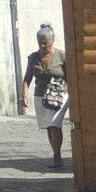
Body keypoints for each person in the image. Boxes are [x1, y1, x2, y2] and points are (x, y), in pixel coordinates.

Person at [22, 24, 67, 170]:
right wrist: (24, 94)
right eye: (40, 42)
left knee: (55, 124)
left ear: (52, 41)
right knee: (49, 126)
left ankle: (57, 156)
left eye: (45, 42)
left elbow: (71, 76)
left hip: (59, 95)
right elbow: (27, 78)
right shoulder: (34, 58)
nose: (42, 45)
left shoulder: (62, 56)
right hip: (41, 96)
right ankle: (56, 154)